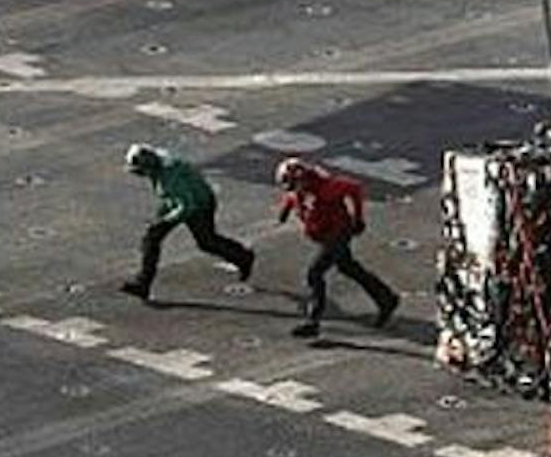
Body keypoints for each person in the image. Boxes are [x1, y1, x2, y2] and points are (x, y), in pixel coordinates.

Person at [274, 156, 398, 339]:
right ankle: (386, 298)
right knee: (348, 267)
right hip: (325, 235)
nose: (293, 191)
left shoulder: (327, 187)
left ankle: (313, 321)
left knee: (315, 273)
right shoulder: (302, 191)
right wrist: (285, 209)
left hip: (338, 233)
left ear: (302, 179)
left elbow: (355, 188)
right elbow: (294, 198)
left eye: (294, 185)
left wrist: (358, 218)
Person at [120, 144, 254, 302]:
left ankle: (242, 256)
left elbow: (186, 205)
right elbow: (170, 197)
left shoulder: (169, 177)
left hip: (199, 205)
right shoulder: (161, 167)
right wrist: (161, 216)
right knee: (152, 238)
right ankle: (143, 283)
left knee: (206, 241)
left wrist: (165, 220)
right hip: (185, 201)